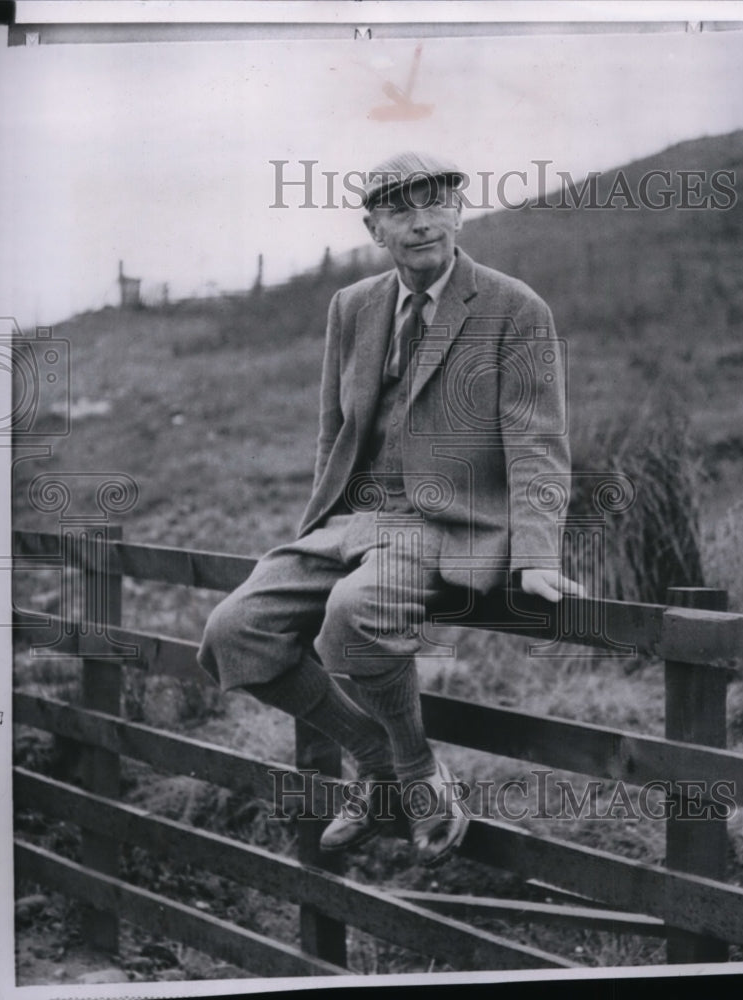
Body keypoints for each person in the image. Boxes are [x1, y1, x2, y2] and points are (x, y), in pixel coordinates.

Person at [198, 151, 583, 866]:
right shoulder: (351, 306)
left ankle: (413, 777)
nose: (422, 221)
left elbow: (538, 443)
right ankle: (380, 763)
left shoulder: (513, 307)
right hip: (351, 521)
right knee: (234, 632)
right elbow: (332, 431)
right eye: (401, 209)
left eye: (435, 202)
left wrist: (535, 555)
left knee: (353, 615)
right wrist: (313, 534)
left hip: (444, 523)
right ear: (374, 225)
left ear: (459, 211)